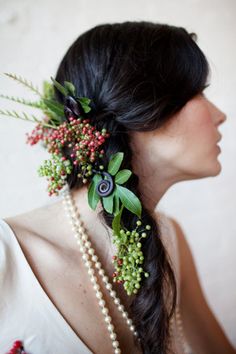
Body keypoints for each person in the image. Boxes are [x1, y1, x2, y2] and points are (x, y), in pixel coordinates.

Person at [0, 21, 235, 354]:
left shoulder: (170, 237)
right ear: (140, 107)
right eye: (198, 91)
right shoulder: (8, 257)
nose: (220, 114)